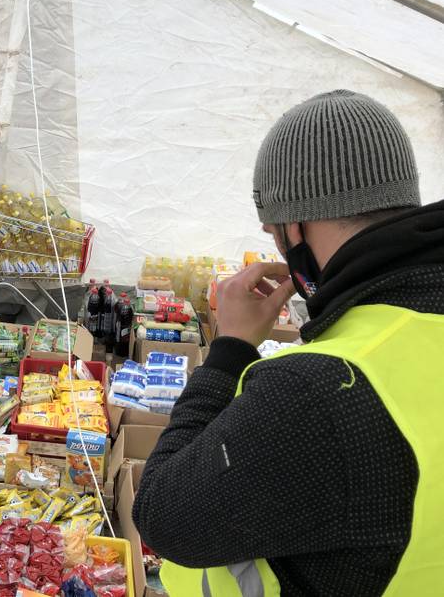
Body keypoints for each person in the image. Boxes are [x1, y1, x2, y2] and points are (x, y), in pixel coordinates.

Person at [133, 90, 444, 596]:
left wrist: (230, 348)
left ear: (294, 229)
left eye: (274, 232)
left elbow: (163, 517)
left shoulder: (322, 388)